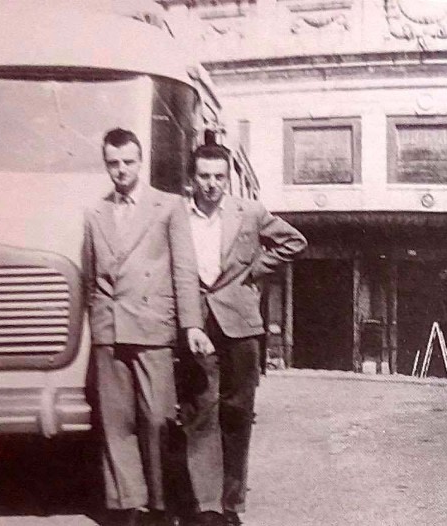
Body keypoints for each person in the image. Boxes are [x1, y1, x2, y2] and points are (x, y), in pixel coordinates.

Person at [82, 128, 213, 526]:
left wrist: (190, 324)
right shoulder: (95, 213)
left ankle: (159, 504)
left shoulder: (168, 206)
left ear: (141, 162)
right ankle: (129, 506)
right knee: (116, 423)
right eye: (113, 163)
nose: (120, 170)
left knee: (157, 418)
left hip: (153, 327)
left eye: (128, 162)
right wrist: (98, 319)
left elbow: (185, 269)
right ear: (106, 164)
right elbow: (89, 275)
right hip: (110, 329)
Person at [178, 144, 307, 526]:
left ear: (227, 177)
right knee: (200, 412)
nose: (212, 184)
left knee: (237, 414)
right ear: (192, 178)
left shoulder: (249, 211)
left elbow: (293, 242)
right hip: (197, 325)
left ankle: (231, 504)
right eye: (204, 176)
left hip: (241, 326)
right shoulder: (178, 216)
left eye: (219, 176)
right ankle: (206, 507)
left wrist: (255, 269)